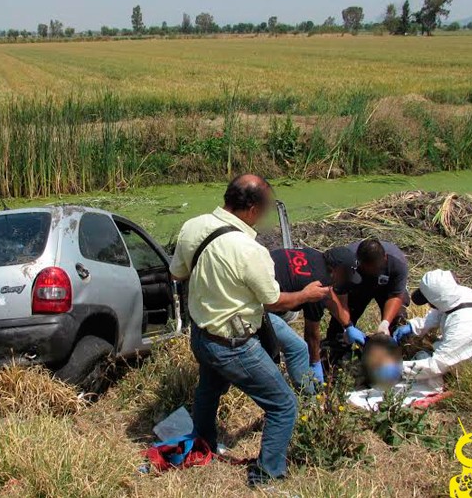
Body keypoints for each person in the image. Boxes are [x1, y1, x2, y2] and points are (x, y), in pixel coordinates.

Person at [169, 174, 330, 486]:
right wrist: (307, 295)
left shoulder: (193, 226)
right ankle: (266, 475)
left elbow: (178, 272)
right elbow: (273, 302)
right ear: (254, 209)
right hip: (234, 346)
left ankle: (203, 444)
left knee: (208, 391)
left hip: (201, 336)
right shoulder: (250, 251)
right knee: (283, 405)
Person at [393, 269, 472, 380]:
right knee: (439, 349)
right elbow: (440, 311)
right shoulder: (456, 295)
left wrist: (397, 369)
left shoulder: (466, 325)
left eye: (428, 301)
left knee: (448, 364)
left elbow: (437, 365)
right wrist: (414, 326)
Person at [268, 246, 362, 384]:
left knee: (287, 322)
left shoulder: (314, 255)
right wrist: (315, 362)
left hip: (259, 281)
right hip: (258, 304)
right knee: (297, 348)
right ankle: (308, 393)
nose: (345, 281)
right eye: (346, 276)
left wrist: (348, 325)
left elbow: (329, 294)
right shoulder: (317, 284)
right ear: (338, 270)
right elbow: (312, 334)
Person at [326, 237, 410, 365]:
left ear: (385, 258)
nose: (372, 272)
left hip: (386, 288)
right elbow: (339, 296)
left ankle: (399, 358)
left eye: (376, 268)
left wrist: (386, 323)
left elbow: (396, 295)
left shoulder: (397, 263)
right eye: (368, 269)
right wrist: (347, 325)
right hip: (357, 287)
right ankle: (334, 363)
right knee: (339, 330)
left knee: (398, 320)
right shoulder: (347, 261)